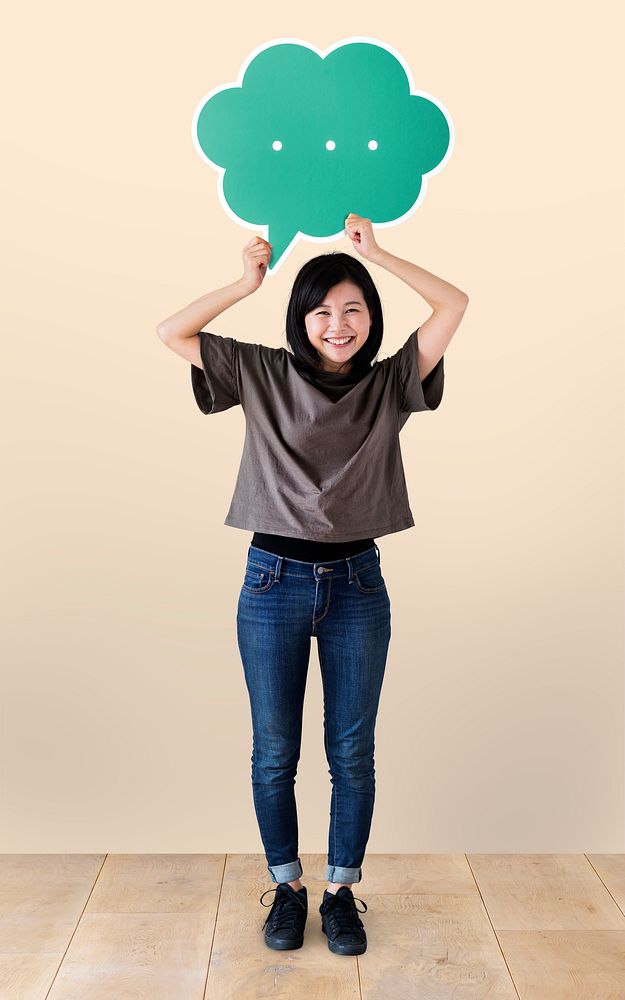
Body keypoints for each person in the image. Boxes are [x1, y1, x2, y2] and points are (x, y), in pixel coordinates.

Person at [156, 213, 468, 955]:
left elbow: (453, 305)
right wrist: (243, 283)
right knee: (274, 751)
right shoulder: (260, 371)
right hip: (272, 582)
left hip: (358, 582)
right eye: (322, 310)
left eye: (353, 309)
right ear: (301, 318)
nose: (338, 324)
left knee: (351, 751)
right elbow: (172, 331)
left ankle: (340, 894)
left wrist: (379, 255)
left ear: (370, 319)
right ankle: (288, 888)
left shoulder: (394, 380)